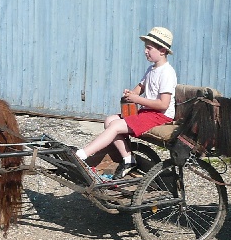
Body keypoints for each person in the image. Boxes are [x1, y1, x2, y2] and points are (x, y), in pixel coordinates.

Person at [75, 26, 177, 179]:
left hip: (160, 116)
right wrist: (131, 94)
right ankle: (129, 159)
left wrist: (137, 99)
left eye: (149, 48)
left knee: (116, 126)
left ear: (162, 51)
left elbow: (163, 104)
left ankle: (82, 154)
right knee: (110, 120)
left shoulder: (167, 73)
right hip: (148, 112)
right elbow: (139, 88)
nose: (145, 51)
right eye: (145, 47)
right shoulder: (151, 70)